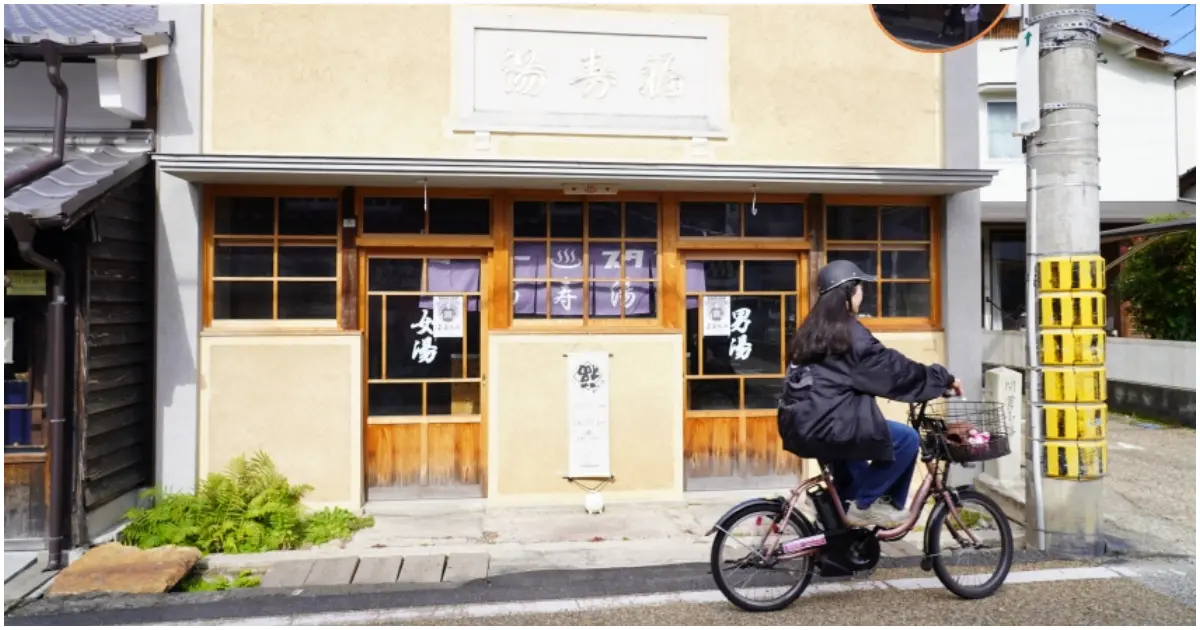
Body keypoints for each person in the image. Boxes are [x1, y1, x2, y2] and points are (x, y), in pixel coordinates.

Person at [777, 260, 960, 528]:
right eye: (860, 288)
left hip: (800, 424)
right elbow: (894, 372)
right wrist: (942, 378)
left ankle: (841, 538)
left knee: (855, 466)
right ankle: (866, 508)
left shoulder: (810, 331)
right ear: (849, 292)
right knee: (907, 439)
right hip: (828, 425)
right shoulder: (848, 335)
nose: (863, 295)